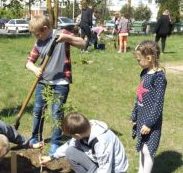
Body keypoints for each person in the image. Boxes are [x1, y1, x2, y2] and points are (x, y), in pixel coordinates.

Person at [26, 15, 85, 155]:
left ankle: (55, 143)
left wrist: (68, 39)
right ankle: (35, 138)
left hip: (61, 82)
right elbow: (29, 61)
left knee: (57, 113)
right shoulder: (39, 42)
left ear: (45, 28)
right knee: (37, 111)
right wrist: (35, 69)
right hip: (43, 82)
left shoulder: (61, 34)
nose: (37, 37)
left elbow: (83, 43)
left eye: (38, 34)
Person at [40, 112, 128, 173]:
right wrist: (51, 157)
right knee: (70, 151)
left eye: (72, 135)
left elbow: (105, 169)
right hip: (97, 162)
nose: (72, 138)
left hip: (114, 170)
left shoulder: (102, 142)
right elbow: (69, 145)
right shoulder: (84, 129)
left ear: (77, 135)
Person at [131, 40, 167, 173]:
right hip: (141, 117)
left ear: (149, 58)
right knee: (141, 147)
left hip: (151, 120)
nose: (137, 62)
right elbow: (139, 95)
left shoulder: (158, 78)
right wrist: (134, 113)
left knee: (148, 150)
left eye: (139, 59)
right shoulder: (145, 73)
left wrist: (149, 123)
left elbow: (158, 104)